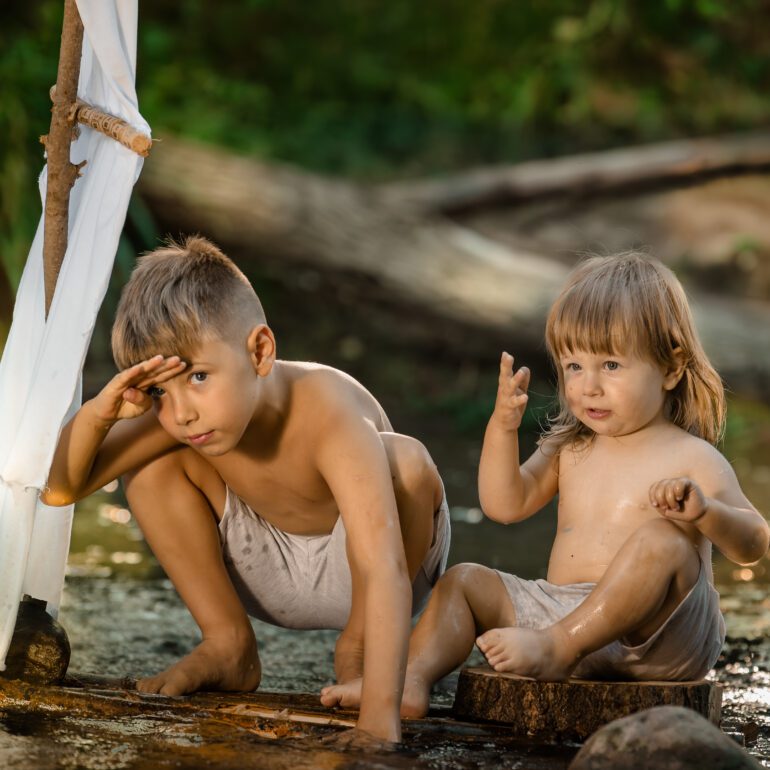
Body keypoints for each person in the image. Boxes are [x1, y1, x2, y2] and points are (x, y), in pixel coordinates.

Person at [320, 252, 769, 718]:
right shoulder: (569, 447)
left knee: (664, 539)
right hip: (562, 612)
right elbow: (503, 504)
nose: (588, 386)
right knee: (464, 581)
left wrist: (704, 514)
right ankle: (407, 682)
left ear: (672, 368)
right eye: (574, 366)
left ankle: (560, 647)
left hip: (658, 636)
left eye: (611, 365)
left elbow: (754, 542)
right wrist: (503, 428)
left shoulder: (692, 457)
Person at [42, 235, 451, 746]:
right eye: (159, 391)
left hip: (375, 572)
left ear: (259, 350)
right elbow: (59, 490)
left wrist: (377, 724)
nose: (182, 411)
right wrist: (100, 414)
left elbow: (384, 565)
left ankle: (361, 650)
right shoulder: (182, 419)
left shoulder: (327, 409)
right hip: (267, 568)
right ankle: (229, 644)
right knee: (150, 466)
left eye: (197, 375)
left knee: (407, 461)